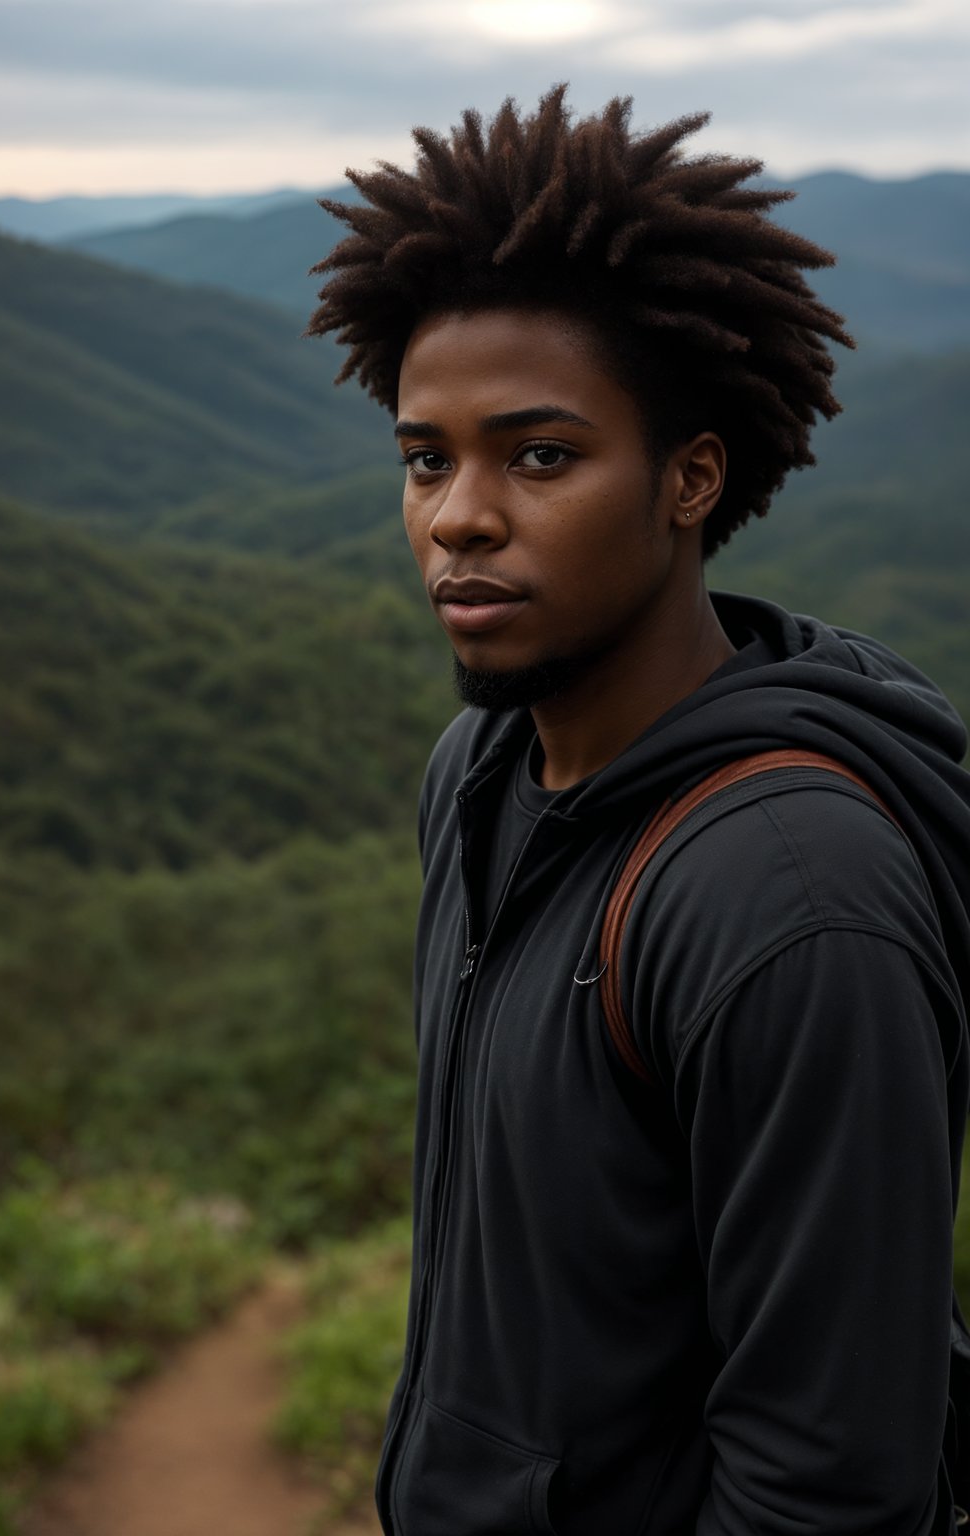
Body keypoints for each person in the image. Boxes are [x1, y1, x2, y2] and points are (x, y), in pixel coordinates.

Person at [308, 87, 970, 1535]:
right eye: (427, 459)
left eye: (540, 456)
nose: (458, 517)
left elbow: (831, 1490)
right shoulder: (477, 778)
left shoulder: (791, 899)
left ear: (692, 477)